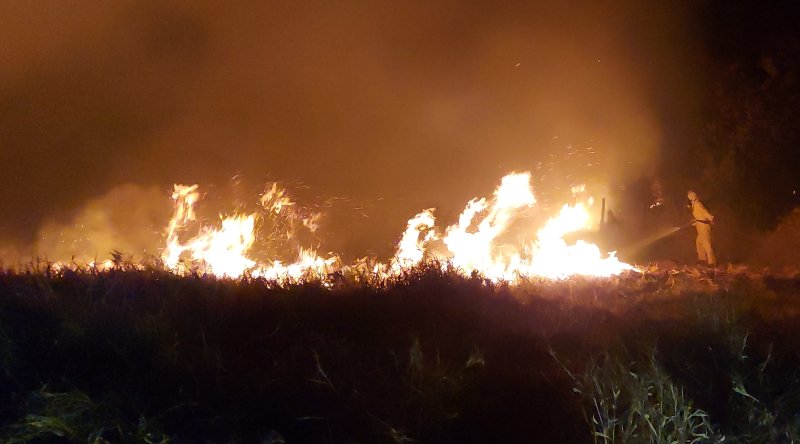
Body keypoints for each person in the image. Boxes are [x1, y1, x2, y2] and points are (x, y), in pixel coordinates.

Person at [687, 190, 716, 266]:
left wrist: (711, 218)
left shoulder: (698, 204)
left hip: (704, 226)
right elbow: (699, 217)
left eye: (690, 196)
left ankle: (711, 262)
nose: (689, 197)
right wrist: (694, 223)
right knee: (699, 242)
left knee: (706, 243)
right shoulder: (694, 205)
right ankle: (702, 259)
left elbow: (704, 213)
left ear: (693, 196)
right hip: (699, 227)